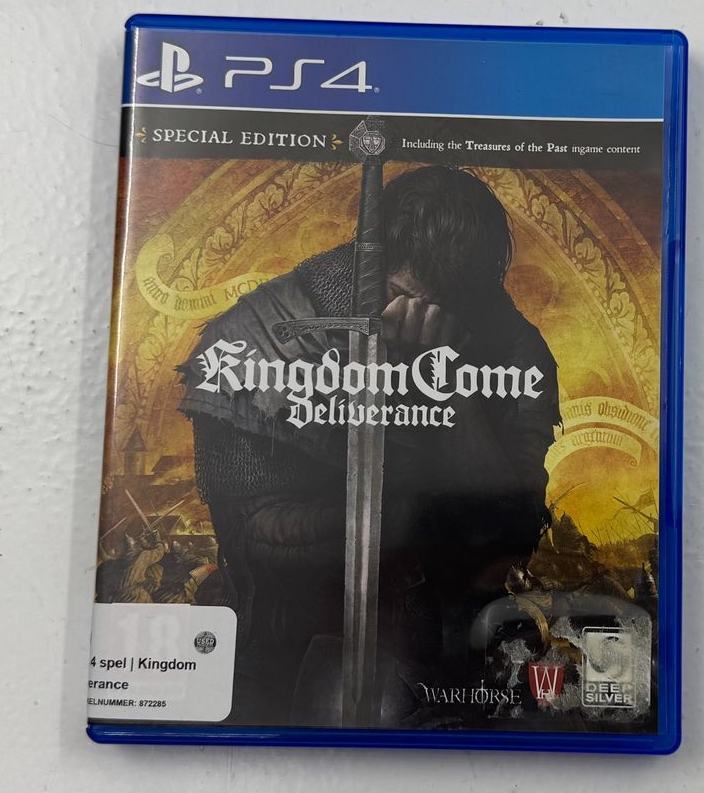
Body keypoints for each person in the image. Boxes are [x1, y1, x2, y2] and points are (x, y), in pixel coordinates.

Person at [177, 165, 560, 724]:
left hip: (451, 657)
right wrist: (405, 515)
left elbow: (510, 530)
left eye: (443, 307)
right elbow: (253, 534)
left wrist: (452, 384)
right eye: (401, 294)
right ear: (371, 264)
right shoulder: (255, 338)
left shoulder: (511, 347)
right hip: (281, 649)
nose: (415, 316)